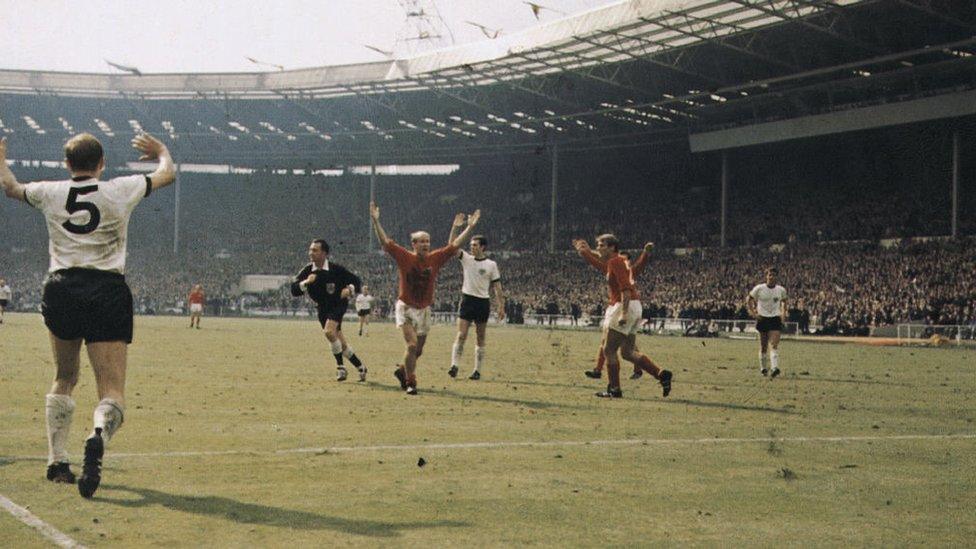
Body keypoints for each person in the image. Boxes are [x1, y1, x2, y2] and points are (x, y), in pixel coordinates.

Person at [1, 132, 176, 498]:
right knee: (111, 389)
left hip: (62, 286)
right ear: (101, 163)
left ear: (68, 165)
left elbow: (11, 188)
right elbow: (167, 174)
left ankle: (57, 460)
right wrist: (160, 151)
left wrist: (1, 157)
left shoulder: (49, 191)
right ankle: (98, 433)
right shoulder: (120, 189)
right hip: (107, 290)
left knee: (64, 376)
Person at [369, 201, 480, 395]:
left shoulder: (434, 258)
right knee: (411, 345)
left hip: (424, 309)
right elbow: (385, 243)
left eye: (427, 241)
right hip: (405, 307)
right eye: (421, 241)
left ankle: (402, 371)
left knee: (417, 351)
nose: (426, 244)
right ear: (414, 244)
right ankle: (411, 381)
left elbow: (455, 245)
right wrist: (376, 221)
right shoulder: (405, 257)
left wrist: (470, 227)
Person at [574, 235, 672, 398]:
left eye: (601, 245)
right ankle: (661, 374)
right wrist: (586, 252)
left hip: (624, 305)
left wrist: (624, 313)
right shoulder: (617, 262)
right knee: (627, 352)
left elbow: (625, 289)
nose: (598, 248)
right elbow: (600, 261)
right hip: (635, 305)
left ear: (612, 248)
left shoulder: (615, 262)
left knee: (609, 350)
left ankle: (615, 389)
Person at [290, 239, 365, 382]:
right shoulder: (307, 270)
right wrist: (306, 282)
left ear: (324, 253)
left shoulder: (335, 269)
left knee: (329, 332)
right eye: (310, 250)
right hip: (322, 308)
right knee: (341, 344)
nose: (311, 253)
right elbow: (294, 289)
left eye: (315, 250)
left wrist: (349, 289)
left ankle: (340, 368)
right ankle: (361, 367)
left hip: (338, 304)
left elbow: (356, 280)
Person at [446, 213, 505, 381]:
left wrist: (501, 306)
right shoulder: (466, 259)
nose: (472, 247)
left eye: (475, 245)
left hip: (482, 303)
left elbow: (497, 287)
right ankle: (454, 366)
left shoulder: (491, 265)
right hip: (467, 300)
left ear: (483, 247)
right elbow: (451, 246)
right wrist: (455, 227)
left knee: (480, 337)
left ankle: (477, 370)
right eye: (471, 245)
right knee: (461, 335)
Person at [583, 243, 653, 380]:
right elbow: (600, 260)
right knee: (610, 342)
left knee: (618, 345)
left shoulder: (627, 270)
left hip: (622, 307)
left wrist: (645, 253)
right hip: (615, 306)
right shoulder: (615, 265)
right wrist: (587, 252)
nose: (623, 261)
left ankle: (636, 371)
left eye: (626, 259)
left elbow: (640, 264)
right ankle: (599, 369)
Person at [747, 267, 788, 377]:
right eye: (769, 275)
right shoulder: (759, 288)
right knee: (763, 346)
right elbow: (749, 299)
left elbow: (784, 302)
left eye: (773, 275)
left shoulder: (781, 290)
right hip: (762, 318)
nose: (771, 277)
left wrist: (783, 314)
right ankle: (763, 368)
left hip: (775, 318)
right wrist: (754, 313)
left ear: (776, 277)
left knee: (774, 344)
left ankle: (774, 368)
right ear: (766, 276)